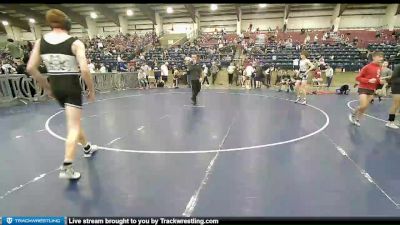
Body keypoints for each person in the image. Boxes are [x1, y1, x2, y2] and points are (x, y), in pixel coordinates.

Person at [26, 9, 97, 180]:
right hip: (71, 86)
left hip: (56, 86)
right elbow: (85, 69)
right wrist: (91, 89)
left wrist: (47, 87)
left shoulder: (40, 42)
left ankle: (87, 147)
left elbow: (30, 68)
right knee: (73, 126)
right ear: (67, 24)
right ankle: (67, 165)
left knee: (74, 121)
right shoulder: (75, 43)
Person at [349, 51, 385, 127]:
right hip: (363, 88)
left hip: (372, 89)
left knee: (365, 106)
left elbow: (377, 79)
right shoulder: (367, 67)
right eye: (379, 57)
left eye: (382, 57)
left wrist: (380, 81)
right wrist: (368, 80)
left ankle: (358, 119)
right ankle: (353, 114)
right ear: (374, 57)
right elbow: (358, 78)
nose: (381, 59)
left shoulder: (380, 68)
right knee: (362, 105)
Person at [386, 59, 400, 129]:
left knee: (398, 105)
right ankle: (390, 122)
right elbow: (394, 78)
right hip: (397, 87)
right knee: (396, 105)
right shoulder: (398, 66)